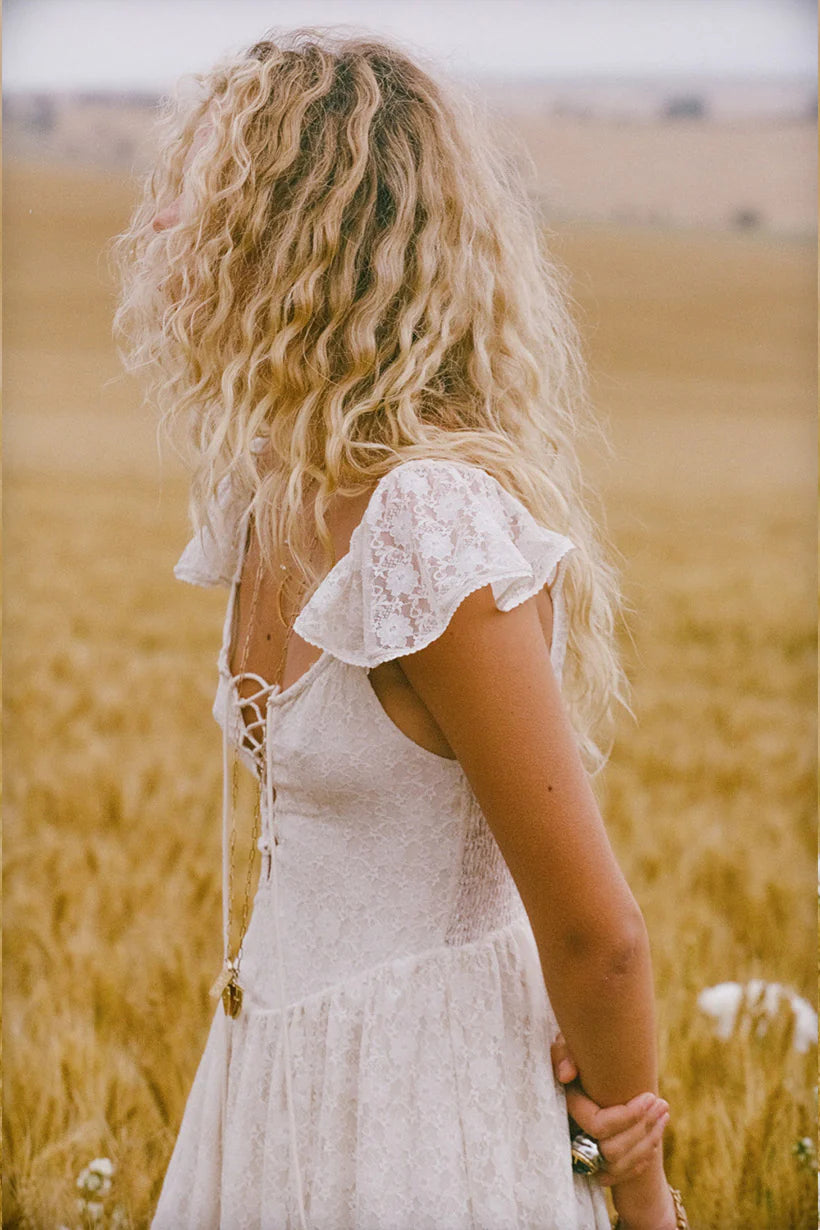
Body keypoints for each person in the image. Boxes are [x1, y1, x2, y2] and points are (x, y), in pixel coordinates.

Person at [113, 26, 688, 1230]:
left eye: (199, 190)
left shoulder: (425, 520)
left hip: (425, 1104)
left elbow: (597, 934)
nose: (157, 221)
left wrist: (637, 1189)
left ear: (292, 233)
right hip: (274, 1074)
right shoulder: (263, 491)